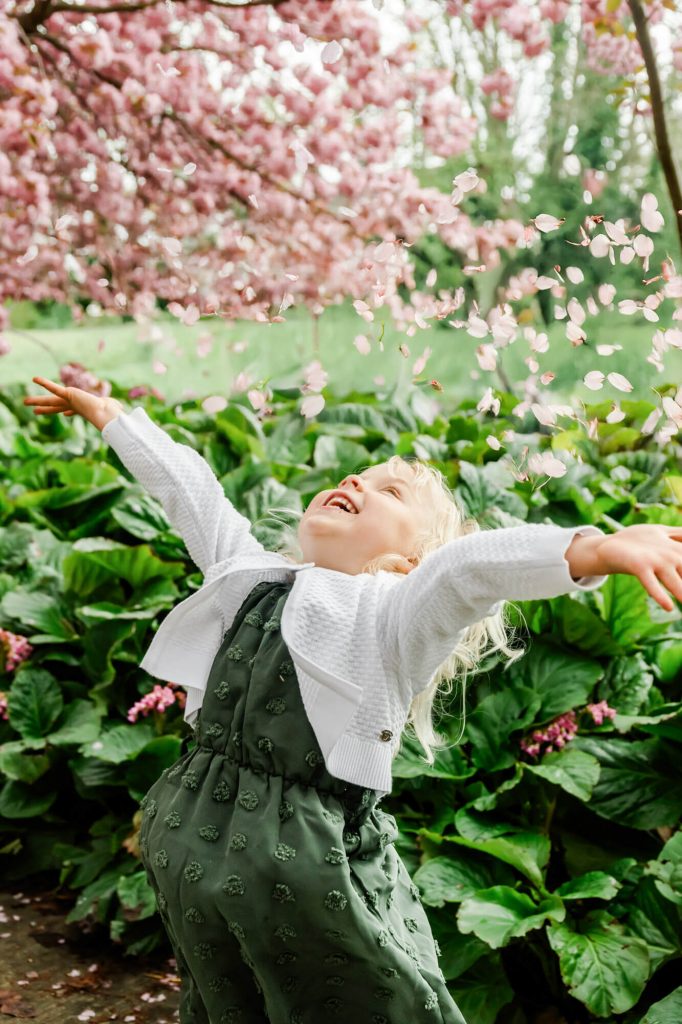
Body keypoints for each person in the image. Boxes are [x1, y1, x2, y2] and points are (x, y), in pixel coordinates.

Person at [24, 376, 682, 1024]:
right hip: (197, 841)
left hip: (309, 861)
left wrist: (593, 548)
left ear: (407, 562)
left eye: (388, 490)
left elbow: (469, 568)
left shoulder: (396, 615)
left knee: (371, 995)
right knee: (233, 999)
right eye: (356, 478)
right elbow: (193, 493)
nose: (356, 484)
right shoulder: (249, 578)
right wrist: (114, 417)